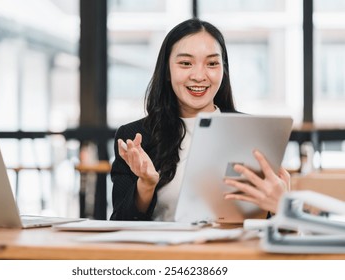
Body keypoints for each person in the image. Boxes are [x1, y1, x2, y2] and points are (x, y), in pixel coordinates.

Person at [110, 18, 290, 221]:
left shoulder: (252, 132)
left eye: (212, 64)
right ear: (167, 71)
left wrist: (280, 206)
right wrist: (146, 185)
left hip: (234, 252)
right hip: (165, 252)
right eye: (186, 63)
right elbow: (120, 223)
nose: (199, 75)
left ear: (223, 70)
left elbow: (274, 228)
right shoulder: (135, 137)